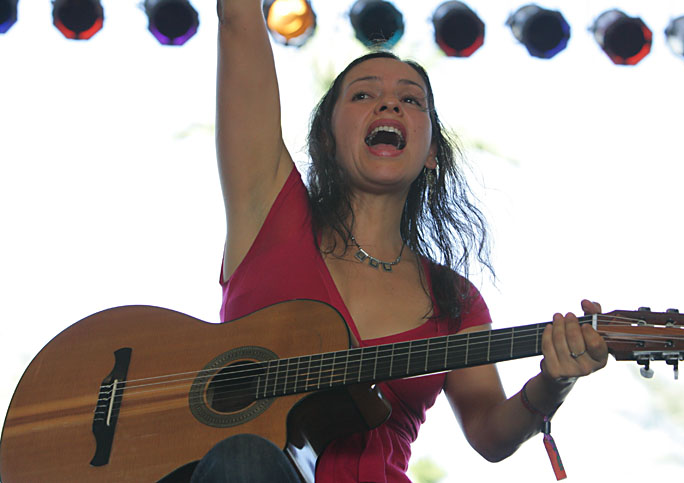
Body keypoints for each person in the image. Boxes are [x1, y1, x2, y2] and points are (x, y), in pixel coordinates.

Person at [191, 1, 608, 481]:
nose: (389, 104)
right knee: (243, 459)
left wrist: (554, 383)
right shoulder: (270, 218)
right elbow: (239, 19)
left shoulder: (454, 300)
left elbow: (490, 434)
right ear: (325, 139)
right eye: (363, 95)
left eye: (411, 100)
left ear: (432, 153)